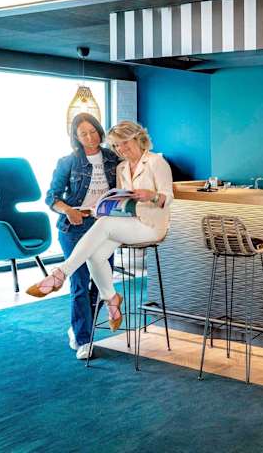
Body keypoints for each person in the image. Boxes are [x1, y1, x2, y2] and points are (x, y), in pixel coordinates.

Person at [27, 121, 174, 335]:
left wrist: (152, 195)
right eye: (116, 145)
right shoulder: (121, 167)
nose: (121, 149)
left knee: (104, 224)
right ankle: (112, 299)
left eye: (124, 143)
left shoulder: (156, 162)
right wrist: (102, 207)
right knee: (95, 256)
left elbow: (168, 198)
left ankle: (59, 274)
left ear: (138, 138)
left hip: (151, 226)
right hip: (128, 223)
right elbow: (123, 202)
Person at [42, 113, 119, 360]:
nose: (90, 137)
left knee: (101, 283)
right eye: (83, 134)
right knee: (79, 283)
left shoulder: (113, 158)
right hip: (74, 227)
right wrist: (69, 210)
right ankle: (84, 339)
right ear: (76, 137)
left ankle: (80, 327)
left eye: (93, 131)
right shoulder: (68, 162)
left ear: (99, 131)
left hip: (104, 226)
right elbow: (51, 197)